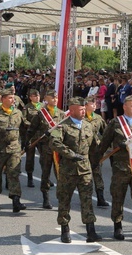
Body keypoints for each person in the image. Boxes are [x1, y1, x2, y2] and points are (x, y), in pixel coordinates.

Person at [50, 97, 101, 243]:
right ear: (72, 110)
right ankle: (65, 229)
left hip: (85, 169)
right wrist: (71, 154)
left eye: (84, 108)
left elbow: (96, 144)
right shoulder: (61, 126)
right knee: (64, 199)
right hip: (68, 169)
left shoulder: (88, 126)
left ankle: (91, 230)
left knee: (87, 199)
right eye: (80, 108)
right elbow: (54, 143)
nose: (84, 111)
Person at [97, 94, 132, 241]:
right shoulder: (115, 123)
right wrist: (97, 158)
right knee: (118, 197)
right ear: (124, 107)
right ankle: (117, 226)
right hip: (120, 168)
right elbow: (105, 142)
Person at [0, 89, 26, 213]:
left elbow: (23, 128)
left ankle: (16, 200)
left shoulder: (17, 113)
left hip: (14, 148)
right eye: (10, 98)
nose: (13, 100)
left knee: (14, 173)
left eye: (13, 98)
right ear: (3, 99)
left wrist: (25, 142)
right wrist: (1, 129)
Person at [26, 89, 63, 209]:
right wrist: (27, 141)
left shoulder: (62, 114)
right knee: (46, 173)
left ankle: (62, 198)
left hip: (59, 149)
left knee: (61, 174)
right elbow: (32, 129)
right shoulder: (41, 114)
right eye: (52, 98)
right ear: (46, 99)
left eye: (56, 98)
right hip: (46, 147)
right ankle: (45, 198)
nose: (55, 100)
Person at [83, 96, 109, 207]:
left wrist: (103, 145)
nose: (94, 105)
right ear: (85, 106)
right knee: (84, 175)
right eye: (91, 104)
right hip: (83, 151)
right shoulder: (80, 117)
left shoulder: (98, 118)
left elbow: (106, 132)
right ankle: (85, 197)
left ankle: (100, 197)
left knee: (97, 174)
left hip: (95, 152)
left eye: (95, 104)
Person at [22, 89, 43, 188]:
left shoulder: (43, 107)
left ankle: (45, 177)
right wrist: (31, 125)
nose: (37, 97)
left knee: (44, 158)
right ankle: (30, 178)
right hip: (31, 135)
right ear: (30, 97)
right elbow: (24, 119)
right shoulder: (27, 107)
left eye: (38, 96)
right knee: (30, 158)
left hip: (42, 136)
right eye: (35, 96)